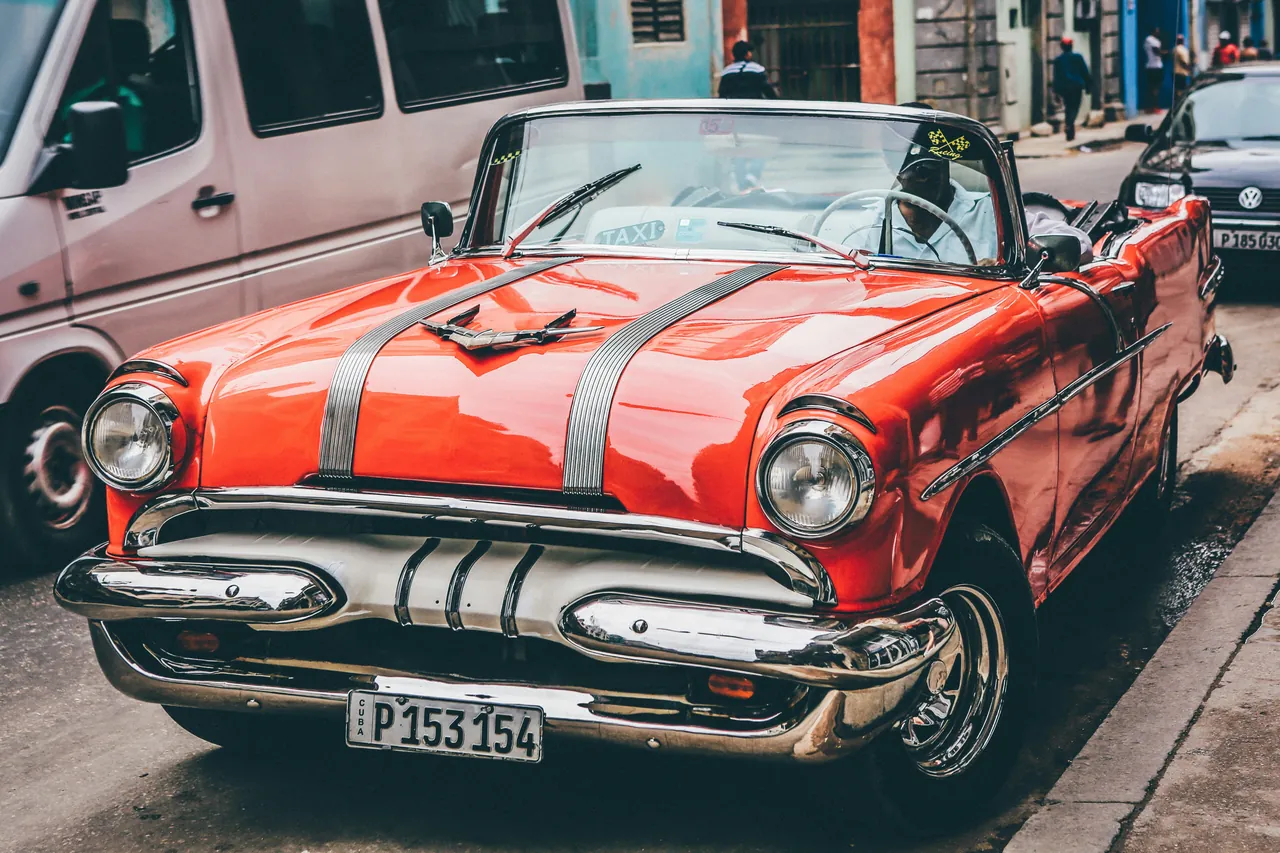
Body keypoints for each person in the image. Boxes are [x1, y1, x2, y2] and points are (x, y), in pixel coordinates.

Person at [1053, 37, 1092, 141]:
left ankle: (1070, 130)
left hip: (1064, 88)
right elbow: (1085, 73)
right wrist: (1088, 87)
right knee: (1074, 108)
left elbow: (1056, 77)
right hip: (1076, 87)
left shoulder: (1058, 60)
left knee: (1068, 107)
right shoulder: (1078, 57)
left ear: (1062, 47)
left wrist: (1056, 92)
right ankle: (1069, 125)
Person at [1143, 27, 1166, 113]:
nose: (1158, 32)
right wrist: (1166, 53)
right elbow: (1156, 51)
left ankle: (1151, 106)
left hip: (1153, 66)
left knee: (1153, 88)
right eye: (1157, 31)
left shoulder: (1151, 40)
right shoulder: (1151, 40)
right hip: (1155, 67)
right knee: (1155, 88)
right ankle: (1154, 107)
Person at [1173, 34, 1192, 98]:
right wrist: (1189, 69)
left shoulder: (1174, 49)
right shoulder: (1182, 50)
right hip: (1181, 72)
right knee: (1182, 90)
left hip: (1175, 72)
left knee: (1176, 89)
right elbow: (1183, 62)